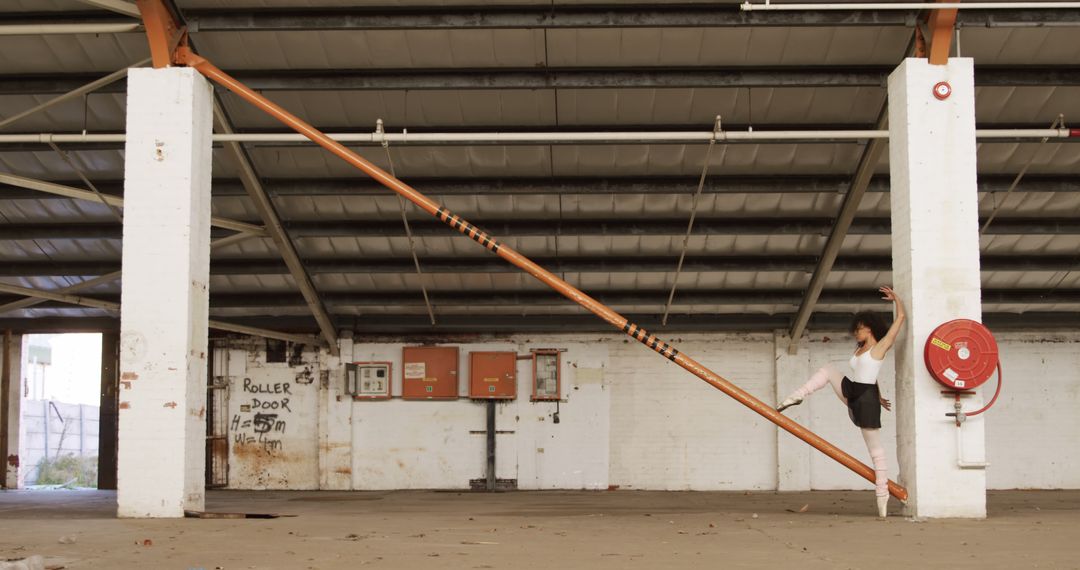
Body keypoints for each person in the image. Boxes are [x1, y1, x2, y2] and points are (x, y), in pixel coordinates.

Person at [777, 286, 906, 518]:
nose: (856, 333)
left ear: (870, 328)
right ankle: (796, 396)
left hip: (864, 399)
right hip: (855, 390)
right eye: (855, 330)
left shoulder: (880, 346)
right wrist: (880, 394)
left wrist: (896, 300)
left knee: (876, 451)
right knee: (827, 370)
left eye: (859, 329)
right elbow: (870, 376)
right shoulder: (861, 349)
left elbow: (901, 320)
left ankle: (882, 496)